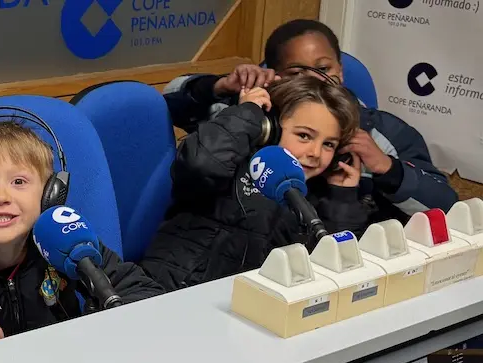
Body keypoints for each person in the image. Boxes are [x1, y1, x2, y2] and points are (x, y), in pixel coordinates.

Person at [162, 19, 458, 225]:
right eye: (297, 73)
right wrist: (219, 86)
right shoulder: (255, 114)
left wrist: (386, 168)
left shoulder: (384, 132)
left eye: (324, 68)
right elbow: (170, 106)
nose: (316, 79)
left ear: (340, 70)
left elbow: (447, 208)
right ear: (273, 75)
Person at [0, 121, 164, 348]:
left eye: (18, 182)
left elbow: (143, 292)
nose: (1, 196)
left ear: (51, 194)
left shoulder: (66, 242)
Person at [142, 75, 365, 291]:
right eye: (304, 136)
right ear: (270, 129)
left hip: (247, 306)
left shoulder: (312, 195)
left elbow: (331, 268)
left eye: (328, 145)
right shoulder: (232, 162)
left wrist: (341, 199)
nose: (315, 153)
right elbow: (201, 164)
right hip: (172, 291)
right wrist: (247, 115)